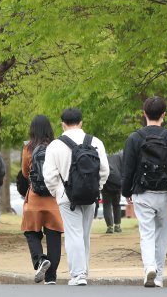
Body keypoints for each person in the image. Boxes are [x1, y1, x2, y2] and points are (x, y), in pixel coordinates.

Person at [122, 96, 167, 288]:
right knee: (162, 234)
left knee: (147, 233)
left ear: (144, 114)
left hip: (142, 192)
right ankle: (158, 276)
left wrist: (126, 191)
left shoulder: (135, 138)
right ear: (164, 115)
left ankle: (149, 266)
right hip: (165, 193)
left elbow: (128, 169)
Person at [43, 108, 110, 286]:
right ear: (81, 122)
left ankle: (78, 274)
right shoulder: (95, 142)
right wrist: (97, 188)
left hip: (66, 197)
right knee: (84, 234)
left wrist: (57, 192)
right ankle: (83, 271)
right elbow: (104, 171)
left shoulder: (55, 146)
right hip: (90, 195)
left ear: (62, 124)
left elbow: (49, 176)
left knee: (73, 234)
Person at [21, 115, 64, 285]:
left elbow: (25, 173)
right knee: (53, 236)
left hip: (35, 198)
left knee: (31, 232)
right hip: (54, 199)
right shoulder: (57, 148)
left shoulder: (28, 148)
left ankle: (39, 260)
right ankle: (51, 277)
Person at [102, 151, 123, 234]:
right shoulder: (119, 154)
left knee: (106, 205)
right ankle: (117, 226)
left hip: (106, 183)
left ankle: (109, 227)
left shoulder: (102, 154)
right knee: (117, 205)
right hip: (118, 183)